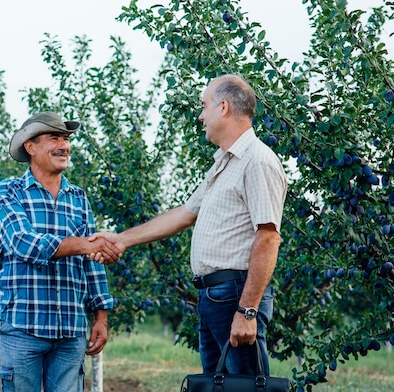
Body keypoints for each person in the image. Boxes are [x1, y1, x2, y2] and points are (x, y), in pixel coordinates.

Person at [92, 74, 287, 376]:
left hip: (235, 294)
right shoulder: (223, 163)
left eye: (204, 106)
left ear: (223, 108)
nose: (201, 115)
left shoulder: (257, 161)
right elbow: (184, 214)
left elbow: (268, 238)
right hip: (213, 297)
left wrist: (247, 311)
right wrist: (121, 240)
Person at [0, 111, 120, 392]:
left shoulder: (79, 198)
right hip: (24, 326)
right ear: (31, 147)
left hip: (70, 329)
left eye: (66, 139)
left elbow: (93, 265)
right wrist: (85, 244)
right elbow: (23, 243)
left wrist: (100, 316)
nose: (64, 145)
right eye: (54, 138)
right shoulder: (9, 192)